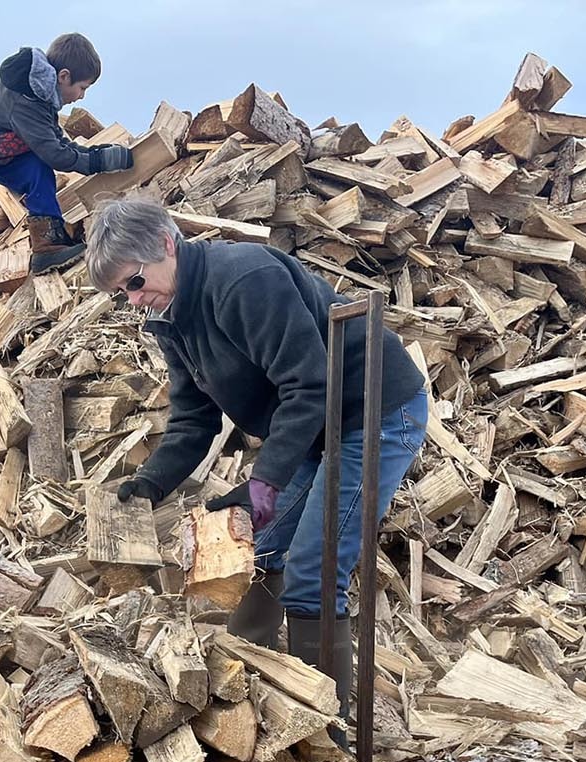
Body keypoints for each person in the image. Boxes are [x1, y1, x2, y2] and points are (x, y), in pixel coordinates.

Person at [88, 198, 429, 716]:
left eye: (134, 282)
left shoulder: (243, 279)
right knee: (260, 550)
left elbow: (309, 385)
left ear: (165, 244)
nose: (134, 300)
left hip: (373, 413)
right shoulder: (170, 318)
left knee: (314, 570)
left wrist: (265, 480)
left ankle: (327, 736)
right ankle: (250, 701)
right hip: (315, 428)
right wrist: (152, 481)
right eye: (121, 294)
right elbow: (193, 417)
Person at [0, 32, 135, 340]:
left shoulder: (43, 95)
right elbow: (56, 154)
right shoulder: (26, 100)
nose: (81, 96)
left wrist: (95, 155)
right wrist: (99, 160)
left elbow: (54, 143)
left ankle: (47, 243)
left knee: (36, 170)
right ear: (63, 76)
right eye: (82, 87)